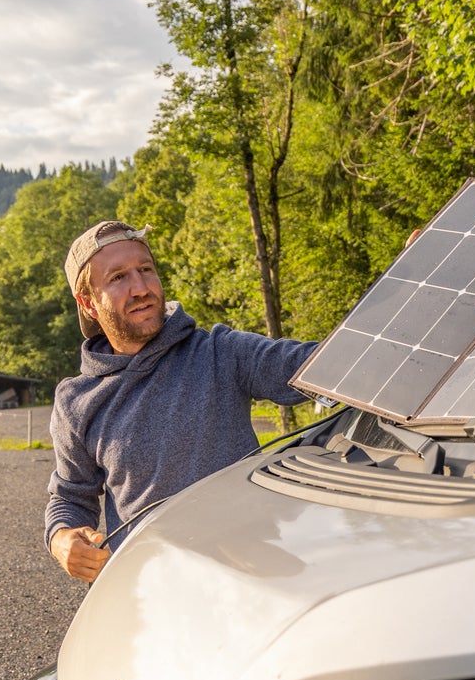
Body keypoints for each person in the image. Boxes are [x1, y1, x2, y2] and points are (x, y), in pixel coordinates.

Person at [45, 220, 316, 583]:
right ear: (88, 303)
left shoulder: (220, 352)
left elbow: (325, 366)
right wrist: (62, 539)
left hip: (250, 580)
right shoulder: (76, 400)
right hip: (148, 592)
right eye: (118, 278)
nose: (140, 288)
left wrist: (412, 292)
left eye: (145, 270)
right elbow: (69, 497)